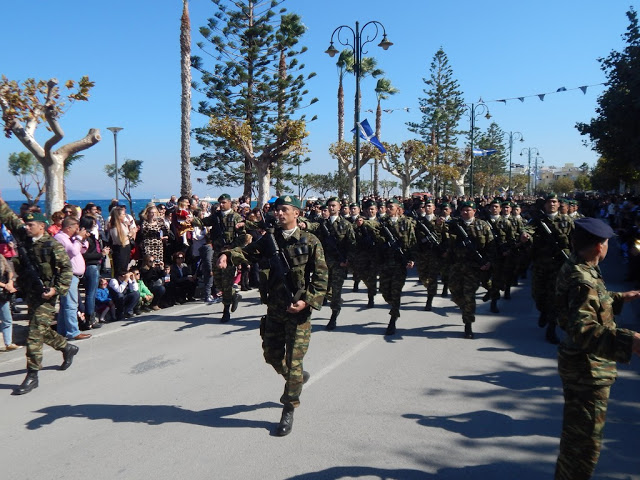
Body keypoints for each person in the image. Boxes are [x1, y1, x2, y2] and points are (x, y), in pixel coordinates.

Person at [217, 195, 328, 436]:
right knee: (272, 355)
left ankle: (289, 406)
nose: (278, 214)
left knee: (295, 361)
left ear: (296, 213)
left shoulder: (310, 240)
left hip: (299, 311)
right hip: (275, 309)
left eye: (284, 210)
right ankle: (295, 377)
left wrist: (306, 301)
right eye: (277, 210)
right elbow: (247, 253)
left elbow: (321, 279)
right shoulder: (270, 239)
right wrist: (228, 255)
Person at [554, 218, 640, 480]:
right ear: (599, 246)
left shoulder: (580, 267)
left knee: (576, 440)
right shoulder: (584, 280)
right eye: (606, 243)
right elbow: (584, 330)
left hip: (582, 367)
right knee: (583, 448)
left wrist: (617, 298)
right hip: (587, 371)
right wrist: (632, 341)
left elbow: (581, 307)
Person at [0, 199, 80, 395]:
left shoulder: (53, 246)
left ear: (41, 226)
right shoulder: (24, 237)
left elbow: (66, 271)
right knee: (42, 330)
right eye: (26, 224)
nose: (26, 227)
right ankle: (66, 347)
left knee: (34, 332)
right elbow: (9, 218)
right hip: (30, 292)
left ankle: (32, 375)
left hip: (47, 295)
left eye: (31, 225)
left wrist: (56, 290)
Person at [522, 193, 574, 344]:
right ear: (544, 205)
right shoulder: (538, 220)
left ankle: (551, 328)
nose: (552, 204)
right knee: (538, 295)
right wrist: (525, 236)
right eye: (549, 202)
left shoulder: (567, 221)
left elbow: (574, 242)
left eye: (554, 202)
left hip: (559, 266)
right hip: (540, 265)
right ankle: (543, 311)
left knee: (555, 298)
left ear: (559, 204)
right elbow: (528, 230)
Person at [444, 201, 496, 339]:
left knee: (469, 295)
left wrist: (488, 262)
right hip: (456, 265)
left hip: (473, 267)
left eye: (468, 210)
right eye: (463, 210)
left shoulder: (482, 225)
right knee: (454, 292)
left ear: (474, 211)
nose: (465, 212)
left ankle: (468, 324)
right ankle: (465, 309)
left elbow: (491, 246)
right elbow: (444, 238)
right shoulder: (454, 225)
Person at [304, 197, 355, 331]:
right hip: (324, 263)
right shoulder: (322, 223)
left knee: (336, 291)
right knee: (321, 289)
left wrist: (347, 260)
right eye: (329, 206)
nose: (331, 208)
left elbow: (352, 244)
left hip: (339, 264)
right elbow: (312, 226)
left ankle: (333, 316)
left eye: (334, 206)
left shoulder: (346, 224)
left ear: (339, 207)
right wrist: (304, 225)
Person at [203, 193, 246, 323]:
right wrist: (192, 220)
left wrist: (231, 249)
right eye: (220, 202)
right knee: (218, 281)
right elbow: (203, 222)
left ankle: (226, 311)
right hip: (217, 251)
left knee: (227, 282)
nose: (221, 205)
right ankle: (234, 295)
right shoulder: (215, 217)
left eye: (223, 202)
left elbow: (242, 237)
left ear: (229, 203)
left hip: (228, 254)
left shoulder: (236, 217)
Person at [54, 216, 92, 340]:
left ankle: (62, 330)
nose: (77, 230)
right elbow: (73, 252)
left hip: (74, 275)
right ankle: (73, 332)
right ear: (68, 227)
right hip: (68, 275)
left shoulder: (70, 239)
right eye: (76, 228)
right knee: (71, 304)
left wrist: (82, 239)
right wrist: (79, 238)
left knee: (66, 304)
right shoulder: (61, 238)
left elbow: (82, 250)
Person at [0, 253, 21, 351]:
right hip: (4, 289)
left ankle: (8, 343)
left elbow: (9, 270)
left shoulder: (1, 257)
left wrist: (10, 282)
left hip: (3, 294)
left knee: (7, 319)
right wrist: (5, 286)